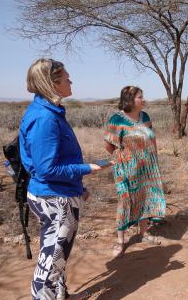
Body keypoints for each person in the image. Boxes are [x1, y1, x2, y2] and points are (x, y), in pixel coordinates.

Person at [19, 58, 106, 300]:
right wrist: (86, 168)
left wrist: (78, 186)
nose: (71, 81)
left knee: (56, 254)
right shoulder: (45, 118)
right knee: (50, 263)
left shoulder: (48, 111)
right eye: (67, 78)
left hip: (60, 193)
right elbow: (47, 170)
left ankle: (61, 295)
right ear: (52, 83)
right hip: (55, 198)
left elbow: (50, 162)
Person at [104, 86, 166, 257]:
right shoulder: (117, 120)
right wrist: (125, 159)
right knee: (125, 201)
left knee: (144, 197)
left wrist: (153, 162)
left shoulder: (145, 116)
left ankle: (144, 233)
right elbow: (109, 144)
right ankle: (120, 240)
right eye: (140, 97)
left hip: (147, 168)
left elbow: (151, 138)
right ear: (129, 100)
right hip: (126, 169)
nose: (143, 99)